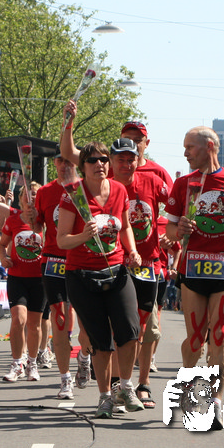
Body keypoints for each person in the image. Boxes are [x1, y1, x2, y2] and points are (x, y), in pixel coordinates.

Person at [165, 126, 224, 430]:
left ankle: (215, 402)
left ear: (209, 146)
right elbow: (168, 229)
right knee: (196, 339)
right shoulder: (183, 184)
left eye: (190, 147)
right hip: (193, 268)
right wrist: (178, 230)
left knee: (219, 334)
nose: (185, 153)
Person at [56, 141, 144, 419]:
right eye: (93, 160)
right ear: (83, 166)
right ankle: (105, 397)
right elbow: (62, 240)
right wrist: (84, 235)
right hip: (82, 276)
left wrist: (132, 251)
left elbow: (125, 227)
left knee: (130, 331)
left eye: (104, 159)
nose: (100, 165)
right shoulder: (73, 194)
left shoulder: (119, 190)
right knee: (100, 340)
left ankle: (126, 387)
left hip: (117, 271)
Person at [108, 137, 168, 409]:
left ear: (138, 159)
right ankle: (117, 386)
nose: (126, 164)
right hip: (114, 262)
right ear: (111, 161)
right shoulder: (105, 186)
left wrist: (172, 232)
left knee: (145, 329)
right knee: (118, 327)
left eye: (130, 159)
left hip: (148, 264)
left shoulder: (153, 181)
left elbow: (177, 204)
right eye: (120, 159)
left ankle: (142, 384)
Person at [31, 152, 92, 399]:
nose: (64, 164)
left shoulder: (86, 188)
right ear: (54, 163)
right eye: (60, 160)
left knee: (87, 324)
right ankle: (65, 379)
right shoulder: (45, 192)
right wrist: (33, 223)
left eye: (69, 160)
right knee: (59, 318)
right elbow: (38, 224)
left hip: (83, 261)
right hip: (53, 261)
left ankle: (85, 357)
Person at [0, 181, 46, 382]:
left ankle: (32, 363)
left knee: (34, 325)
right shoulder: (13, 220)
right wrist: (3, 258)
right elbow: (1, 245)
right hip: (17, 277)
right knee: (18, 319)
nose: (31, 197)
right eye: (27, 194)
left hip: (39, 279)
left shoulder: (45, 221)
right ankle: (17, 363)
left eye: (35, 194)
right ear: (20, 199)